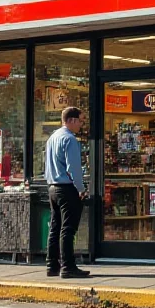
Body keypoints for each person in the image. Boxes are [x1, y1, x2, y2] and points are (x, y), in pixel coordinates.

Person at [45, 106, 90, 279]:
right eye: (80, 120)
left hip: (52, 187)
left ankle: (52, 265)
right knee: (68, 229)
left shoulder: (52, 138)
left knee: (55, 227)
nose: (81, 124)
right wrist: (81, 189)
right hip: (67, 187)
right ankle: (68, 266)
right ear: (71, 120)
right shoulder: (70, 140)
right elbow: (74, 168)